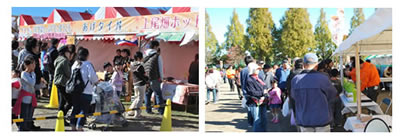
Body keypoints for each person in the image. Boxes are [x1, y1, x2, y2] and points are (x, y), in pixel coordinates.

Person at [290, 53, 337, 132]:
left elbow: (294, 96)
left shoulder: (295, 79)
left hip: (304, 119)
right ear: (316, 65)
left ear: (304, 65)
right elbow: (332, 94)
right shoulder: (323, 78)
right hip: (322, 119)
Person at [70, 47, 98, 131]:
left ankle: (73, 125)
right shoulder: (88, 64)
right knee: (84, 109)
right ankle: (79, 126)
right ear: (87, 55)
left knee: (75, 108)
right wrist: (96, 82)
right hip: (86, 91)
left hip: (75, 91)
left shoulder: (75, 64)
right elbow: (93, 78)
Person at [13, 56, 38, 131]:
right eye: (32, 64)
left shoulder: (33, 74)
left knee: (29, 116)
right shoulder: (24, 74)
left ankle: (27, 128)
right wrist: (33, 73)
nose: (34, 66)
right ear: (27, 65)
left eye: (34, 64)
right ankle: (21, 129)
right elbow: (32, 82)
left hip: (31, 97)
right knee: (24, 115)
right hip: (25, 98)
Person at [143, 40, 164, 115]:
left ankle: (148, 109)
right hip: (155, 77)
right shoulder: (157, 56)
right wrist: (161, 78)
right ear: (155, 46)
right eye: (157, 46)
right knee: (158, 94)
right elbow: (160, 68)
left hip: (146, 78)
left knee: (147, 94)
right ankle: (161, 110)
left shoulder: (144, 55)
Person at [245, 63, 268, 132]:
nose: (258, 70)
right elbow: (252, 92)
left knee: (264, 119)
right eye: (257, 69)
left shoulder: (259, 77)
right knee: (257, 120)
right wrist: (262, 93)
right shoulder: (249, 80)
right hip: (254, 102)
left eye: (258, 69)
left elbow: (264, 86)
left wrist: (264, 92)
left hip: (263, 101)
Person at [53, 45, 72, 126]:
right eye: (68, 52)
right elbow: (68, 73)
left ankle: (61, 119)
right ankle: (61, 117)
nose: (69, 54)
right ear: (65, 52)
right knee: (70, 101)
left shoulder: (57, 59)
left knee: (62, 101)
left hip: (57, 82)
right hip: (62, 82)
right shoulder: (64, 61)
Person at [128, 51, 148, 118]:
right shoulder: (140, 66)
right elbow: (143, 76)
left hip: (135, 84)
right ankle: (137, 114)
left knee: (136, 99)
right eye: (142, 57)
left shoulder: (132, 65)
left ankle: (131, 111)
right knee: (140, 99)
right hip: (141, 84)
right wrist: (147, 80)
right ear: (139, 58)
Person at [240, 56, 256, 126]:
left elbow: (242, 81)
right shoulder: (252, 69)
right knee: (254, 107)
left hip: (246, 91)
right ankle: (255, 121)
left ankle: (250, 122)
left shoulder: (243, 70)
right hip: (253, 91)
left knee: (249, 107)